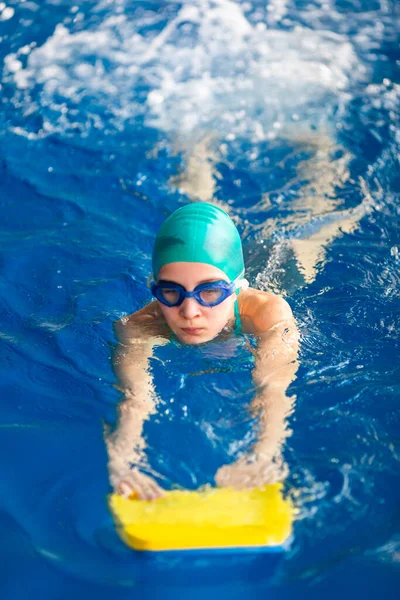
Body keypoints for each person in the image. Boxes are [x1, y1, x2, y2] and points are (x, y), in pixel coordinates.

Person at [106, 202, 299, 500]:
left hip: (285, 260)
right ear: (155, 287)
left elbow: (272, 389)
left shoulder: (268, 315)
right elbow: (135, 398)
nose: (189, 311)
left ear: (236, 288)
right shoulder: (139, 327)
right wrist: (122, 461)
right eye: (171, 291)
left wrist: (263, 454)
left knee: (310, 231)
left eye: (210, 291)